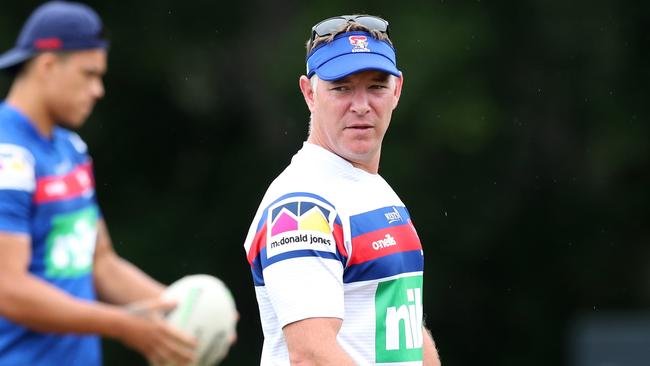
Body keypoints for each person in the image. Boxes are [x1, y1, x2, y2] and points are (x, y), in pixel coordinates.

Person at [0, 2, 197, 365]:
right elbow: (7, 289)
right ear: (46, 65)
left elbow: (101, 263)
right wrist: (122, 324)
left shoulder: (71, 148)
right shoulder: (7, 155)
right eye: (88, 74)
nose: (98, 90)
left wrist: (188, 309)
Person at [243, 14, 442, 365]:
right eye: (341, 88)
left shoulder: (372, 189)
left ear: (397, 90)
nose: (361, 105)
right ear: (309, 93)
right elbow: (310, 354)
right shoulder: (302, 205)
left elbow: (406, 325)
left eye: (376, 86)